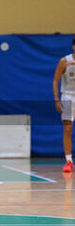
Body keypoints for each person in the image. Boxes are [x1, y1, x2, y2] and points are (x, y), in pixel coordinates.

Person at [53, 38, 75, 173]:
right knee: (67, 129)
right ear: (73, 47)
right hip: (68, 97)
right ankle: (68, 161)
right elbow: (55, 81)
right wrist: (57, 99)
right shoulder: (64, 61)